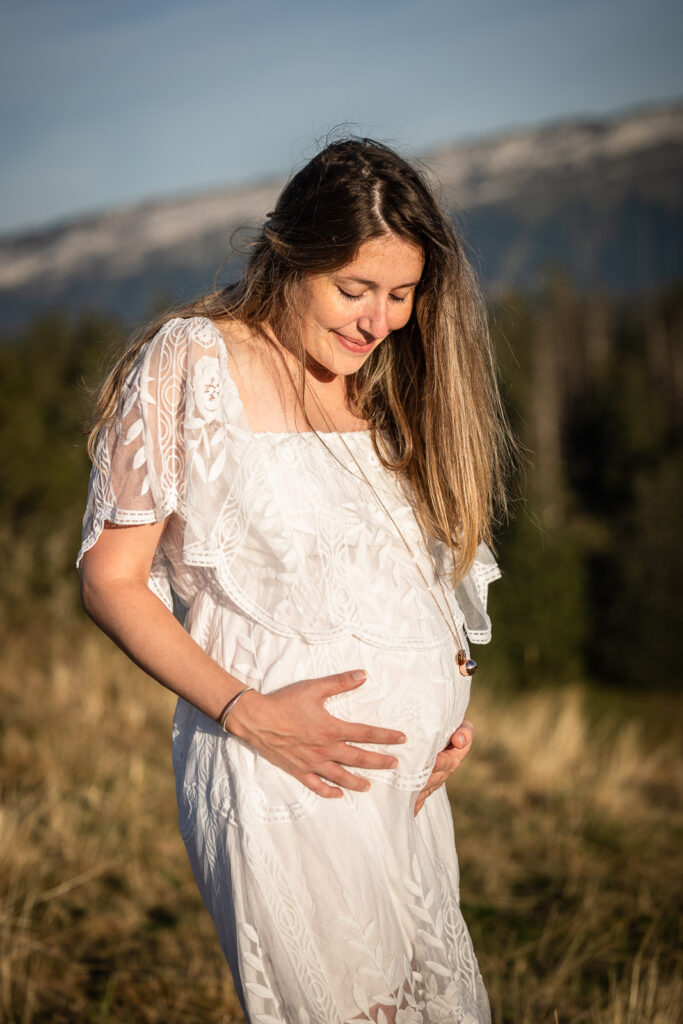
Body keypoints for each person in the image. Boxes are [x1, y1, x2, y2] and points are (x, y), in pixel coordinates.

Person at [77, 137, 515, 1024]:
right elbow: (110, 577)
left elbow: (396, 575)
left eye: (400, 296)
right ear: (288, 255)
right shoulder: (194, 361)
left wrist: (445, 705)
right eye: (354, 289)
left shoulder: (373, 384)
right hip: (277, 770)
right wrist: (247, 712)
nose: (376, 320)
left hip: (401, 791)